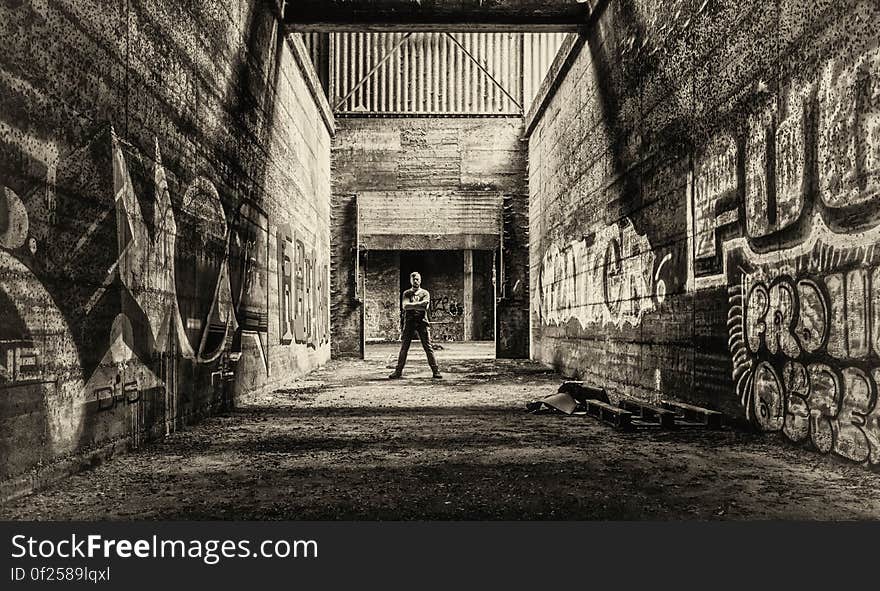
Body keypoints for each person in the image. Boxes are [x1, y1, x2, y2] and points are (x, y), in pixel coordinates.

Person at [388, 271, 442, 379]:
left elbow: (425, 307)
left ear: (420, 280)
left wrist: (412, 305)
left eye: (417, 279)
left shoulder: (425, 293)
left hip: (422, 321)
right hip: (409, 322)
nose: (415, 281)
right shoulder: (406, 293)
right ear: (410, 280)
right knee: (404, 347)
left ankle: (436, 371)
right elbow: (405, 306)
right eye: (413, 279)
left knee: (428, 347)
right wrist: (419, 305)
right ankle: (398, 372)